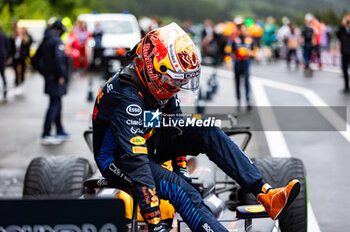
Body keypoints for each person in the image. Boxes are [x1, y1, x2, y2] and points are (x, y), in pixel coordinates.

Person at [92, 23, 300, 232]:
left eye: (180, 81)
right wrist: (155, 224)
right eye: (173, 80)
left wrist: (181, 168)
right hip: (118, 159)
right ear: (153, 67)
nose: (176, 87)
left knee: (207, 129)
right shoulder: (126, 96)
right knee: (183, 191)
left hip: (147, 141)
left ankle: (265, 193)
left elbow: (176, 127)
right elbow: (136, 163)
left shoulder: (158, 84)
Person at [33, 20, 70, 145]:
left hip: (50, 77)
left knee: (56, 103)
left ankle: (59, 130)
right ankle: (46, 133)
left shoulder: (46, 39)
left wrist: (44, 72)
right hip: (56, 78)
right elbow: (59, 59)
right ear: (59, 29)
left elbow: (35, 59)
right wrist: (59, 75)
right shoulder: (56, 40)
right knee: (55, 105)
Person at [10, 24, 32, 95]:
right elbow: (11, 47)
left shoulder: (25, 39)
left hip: (22, 58)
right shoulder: (13, 38)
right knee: (16, 70)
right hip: (15, 57)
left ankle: (21, 83)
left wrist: (27, 56)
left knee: (21, 71)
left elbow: (27, 49)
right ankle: (17, 84)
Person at [336, 14, 350, 93]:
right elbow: (337, 34)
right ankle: (346, 87)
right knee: (344, 70)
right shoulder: (342, 30)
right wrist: (342, 25)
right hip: (344, 52)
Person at [0, 22, 10, 99]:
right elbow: (8, 47)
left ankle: (5, 86)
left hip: (2, 56)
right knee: (3, 74)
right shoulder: (4, 35)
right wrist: (7, 57)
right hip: (3, 57)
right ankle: (5, 86)